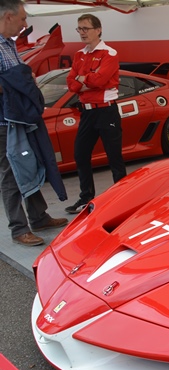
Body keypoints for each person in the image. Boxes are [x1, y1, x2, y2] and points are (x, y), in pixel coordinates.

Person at [0, 0, 67, 246]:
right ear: (8, 17)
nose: (24, 23)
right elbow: (12, 80)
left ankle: (39, 217)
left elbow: (18, 76)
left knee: (31, 163)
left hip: (20, 119)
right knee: (12, 173)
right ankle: (18, 228)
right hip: (5, 123)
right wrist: (20, 82)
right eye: (22, 18)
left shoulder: (8, 44)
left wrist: (24, 79)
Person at [65, 13, 125, 214]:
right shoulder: (79, 55)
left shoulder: (109, 53)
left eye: (86, 28)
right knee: (80, 154)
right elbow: (72, 84)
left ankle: (122, 198)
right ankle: (86, 198)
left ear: (98, 30)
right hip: (87, 113)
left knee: (114, 157)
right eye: (79, 29)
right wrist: (86, 79)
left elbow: (100, 81)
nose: (82, 33)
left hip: (106, 111)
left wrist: (83, 80)